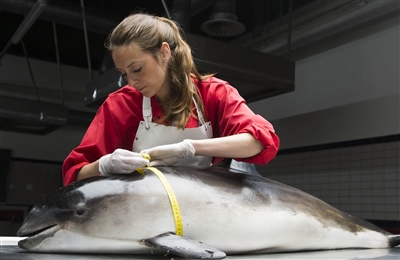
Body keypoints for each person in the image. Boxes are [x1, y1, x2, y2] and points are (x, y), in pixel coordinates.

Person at [62, 13, 280, 186]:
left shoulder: (213, 94)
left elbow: (259, 142)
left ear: (164, 52)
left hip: (202, 206)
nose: (132, 81)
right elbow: (75, 174)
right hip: (141, 212)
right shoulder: (120, 105)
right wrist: (104, 165)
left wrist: (188, 148)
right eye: (124, 73)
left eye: (137, 69)